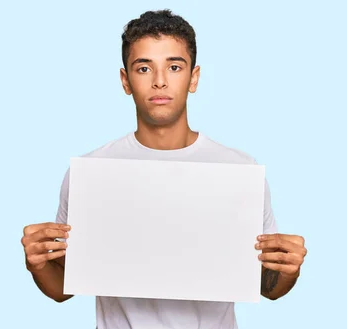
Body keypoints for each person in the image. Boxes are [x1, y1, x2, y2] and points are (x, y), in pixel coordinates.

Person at [21, 9, 307, 329]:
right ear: (125, 80)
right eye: (144, 68)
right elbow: (65, 286)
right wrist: (37, 263)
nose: (159, 81)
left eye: (174, 66)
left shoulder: (239, 171)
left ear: (194, 77)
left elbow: (265, 285)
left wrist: (288, 269)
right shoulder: (91, 173)